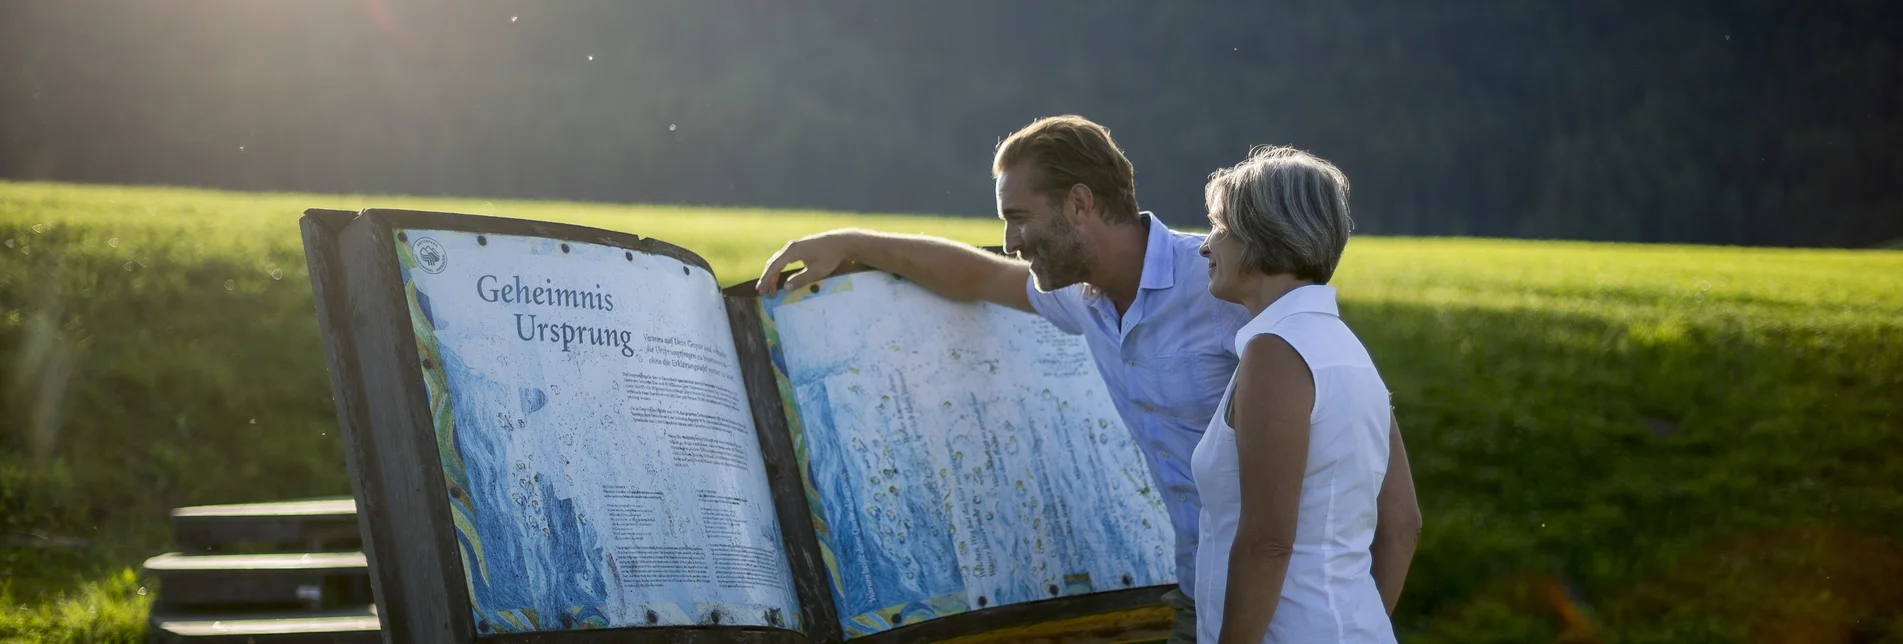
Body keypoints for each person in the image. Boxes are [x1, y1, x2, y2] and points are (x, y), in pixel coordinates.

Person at [758, 114, 1252, 643]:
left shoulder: (1222, 286)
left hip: (1288, 596)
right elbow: (982, 275)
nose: (1011, 241)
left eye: (1019, 217)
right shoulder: (1080, 296)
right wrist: (848, 240)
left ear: (1079, 204)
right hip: (1199, 593)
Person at [1189, 145, 1422, 643]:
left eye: (1220, 228)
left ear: (1264, 235)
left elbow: (1267, 542)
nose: (1206, 246)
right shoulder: (1349, 351)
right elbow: (1403, 522)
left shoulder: (1275, 352)